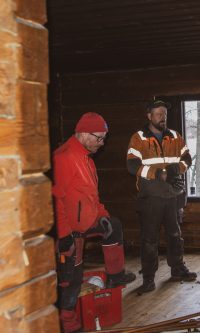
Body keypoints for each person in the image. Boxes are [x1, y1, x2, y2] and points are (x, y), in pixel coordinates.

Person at [52, 112, 136, 333]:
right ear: (82, 133)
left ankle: (114, 276)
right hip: (70, 229)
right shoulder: (64, 157)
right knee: (71, 278)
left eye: (104, 138)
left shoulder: (86, 159)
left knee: (113, 225)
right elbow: (55, 198)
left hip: (87, 220)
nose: (102, 143)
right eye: (99, 138)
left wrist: (103, 216)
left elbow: (92, 197)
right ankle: (67, 324)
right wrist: (63, 235)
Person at [127, 98, 196, 295]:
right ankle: (148, 278)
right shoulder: (138, 138)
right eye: (158, 114)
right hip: (150, 198)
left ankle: (177, 269)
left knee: (175, 235)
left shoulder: (175, 136)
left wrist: (175, 170)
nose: (162, 118)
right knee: (149, 239)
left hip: (173, 196)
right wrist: (159, 174)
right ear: (149, 116)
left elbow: (187, 159)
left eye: (164, 114)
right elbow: (132, 165)